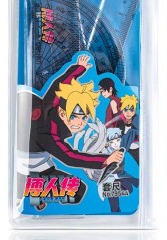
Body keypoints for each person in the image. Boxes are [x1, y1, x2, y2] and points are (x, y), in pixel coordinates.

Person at [17, 55, 123, 210]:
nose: (79, 123)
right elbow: (70, 157)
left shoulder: (51, 103)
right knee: (74, 190)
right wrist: (105, 160)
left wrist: (79, 68)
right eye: (74, 117)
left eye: (84, 118)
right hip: (24, 172)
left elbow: (60, 84)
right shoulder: (48, 132)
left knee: (79, 189)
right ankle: (32, 192)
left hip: (42, 167)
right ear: (62, 113)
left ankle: (36, 193)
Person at [99, 128, 139, 212]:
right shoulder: (105, 153)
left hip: (122, 175)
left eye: (118, 140)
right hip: (108, 179)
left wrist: (141, 132)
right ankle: (115, 212)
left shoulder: (121, 147)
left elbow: (131, 133)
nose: (116, 144)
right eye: (112, 142)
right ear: (108, 143)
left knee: (133, 186)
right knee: (113, 198)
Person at [117, 94, 140, 164]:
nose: (128, 113)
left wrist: (132, 132)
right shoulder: (120, 121)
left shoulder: (137, 120)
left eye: (131, 110)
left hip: (135, 146)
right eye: (125, 110)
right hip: (123, 146)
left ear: (134, 111)